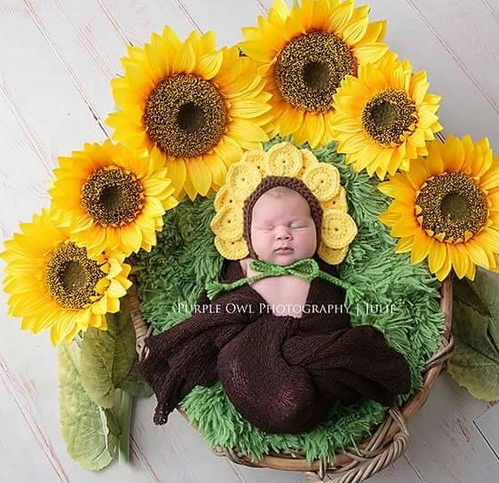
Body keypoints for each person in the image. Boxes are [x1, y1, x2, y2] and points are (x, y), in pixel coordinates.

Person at [138, 177, 412, 434]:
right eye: (268, 228)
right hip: (248, 366)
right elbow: (219, 318)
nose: (282, 234)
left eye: (297, 226)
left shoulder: (324, 276)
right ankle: (275, 400)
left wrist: (295, 337)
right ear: (249, 237)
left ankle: (298, 401)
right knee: (231, 358)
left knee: (347, 352)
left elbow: (333, 323)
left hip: (312, 374)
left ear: (317, 231)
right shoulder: (242, 270)